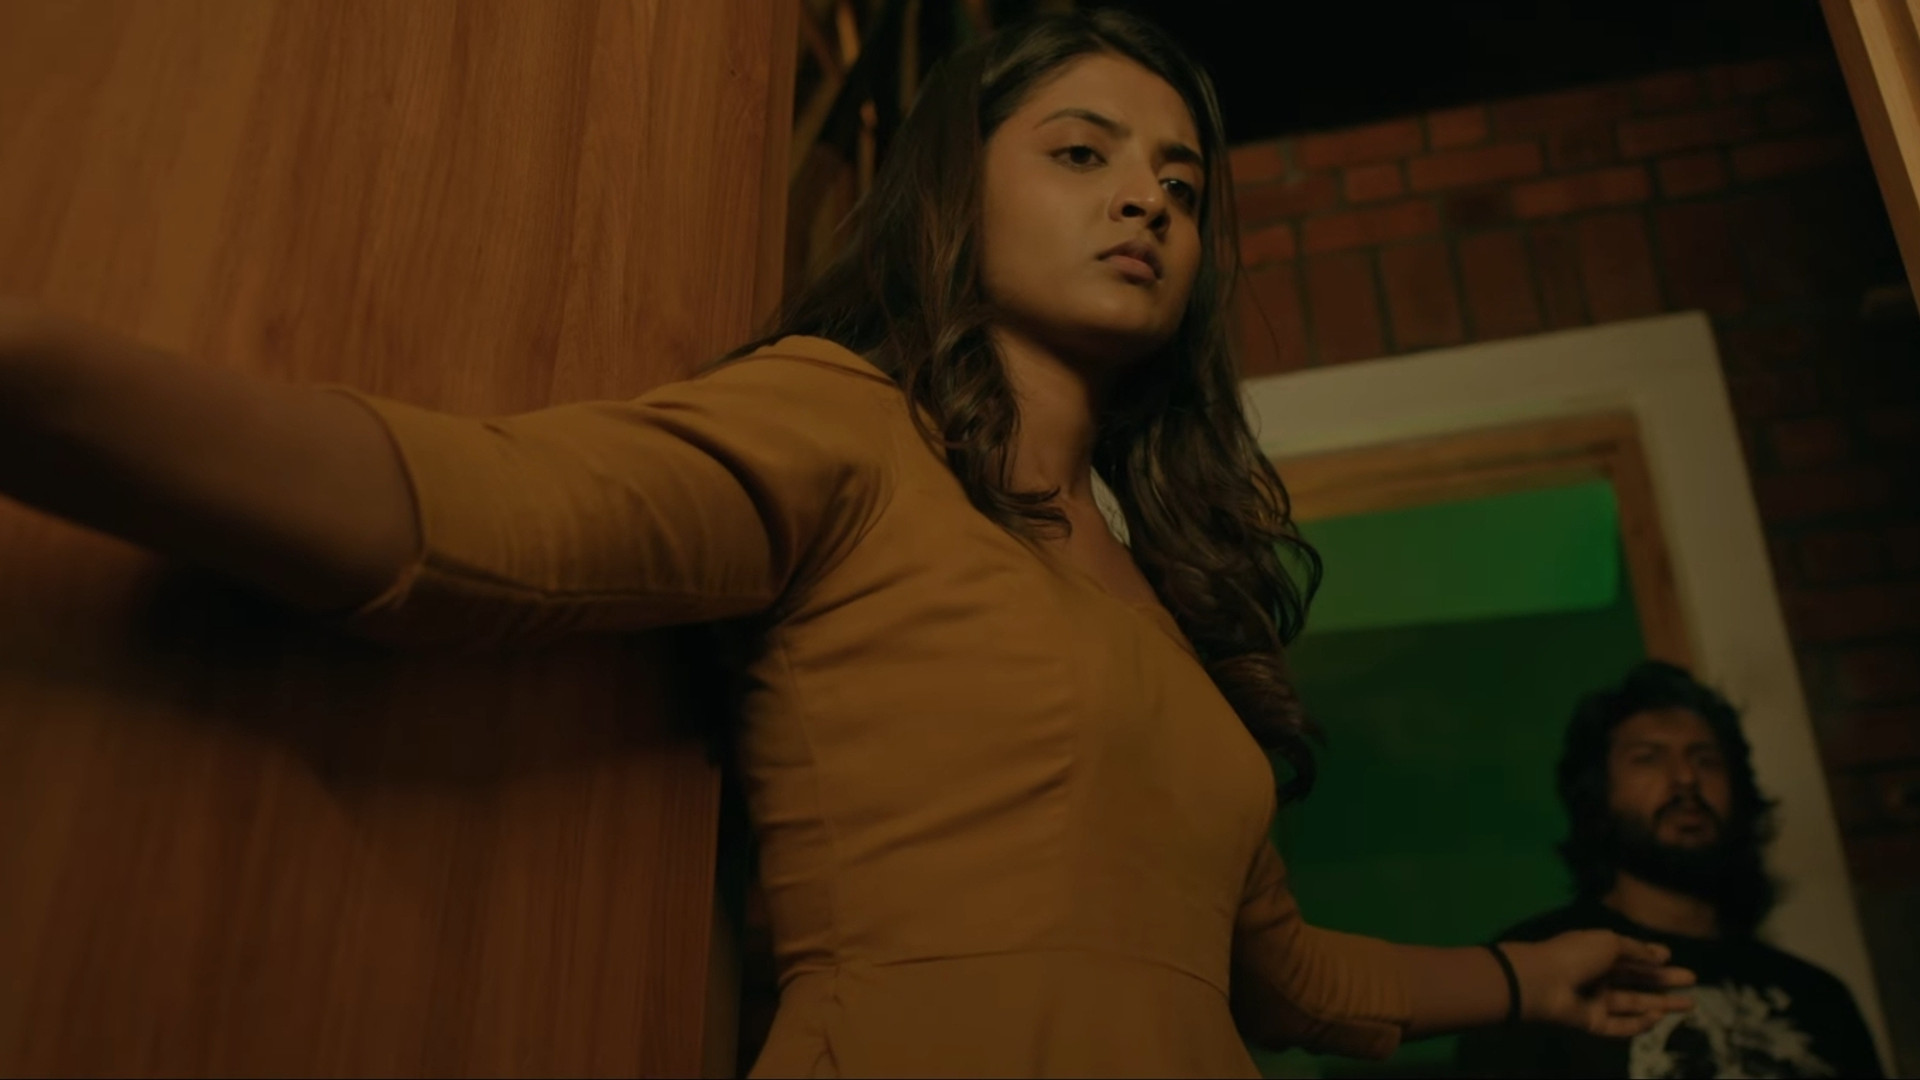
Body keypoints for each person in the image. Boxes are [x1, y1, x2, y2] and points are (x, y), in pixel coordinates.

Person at [0, 11, 1695, 1078]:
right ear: (957, 192)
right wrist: (35, 381)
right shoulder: (845, 422)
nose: (1148, 202)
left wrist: (1522, 980)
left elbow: (1281, 972)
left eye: (1182, 186)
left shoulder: (1174, 602)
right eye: (1085, 154)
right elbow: (477, 518)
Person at [1455, 660, 1886, 1079]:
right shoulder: (1542, 971)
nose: (1685, 778)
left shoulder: (1818, 997)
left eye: (1706, 760)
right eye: (1648, 758)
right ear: (1598, 793)